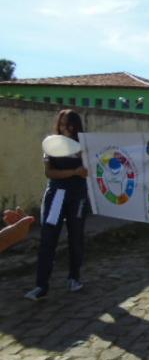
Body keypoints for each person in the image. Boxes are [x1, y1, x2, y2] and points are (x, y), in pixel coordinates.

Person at [25, 109, 89, 301]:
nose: (65, 128)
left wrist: (84, 171)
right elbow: (50, 173)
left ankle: (74, 278)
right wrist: (74, 172)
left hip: (78, 196)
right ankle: (41, 286)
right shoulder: (51, 145)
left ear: (76, 126)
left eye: (69, 125)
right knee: (48, 238)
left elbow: (91, 169)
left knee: (76, 237)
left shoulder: (84, 146)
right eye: (62, 124)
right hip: (56, 196)